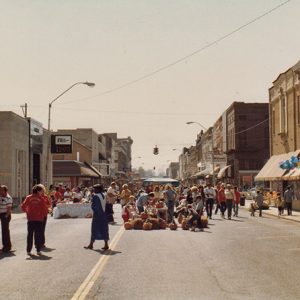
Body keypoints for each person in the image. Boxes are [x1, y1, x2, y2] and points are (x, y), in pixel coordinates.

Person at [21, 185, 49, 255]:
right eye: (41, 191)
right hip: (39, 219)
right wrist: (43, 216)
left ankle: (28, 251)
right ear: (38, 191)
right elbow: (44, 209)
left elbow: (23, 206)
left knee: (30, 234)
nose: (41, 192)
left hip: (30, 219)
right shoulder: (41, 198)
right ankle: (38, 250)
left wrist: (27, 212)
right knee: (38, 234)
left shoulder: (28, 197)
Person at [84, 184, 109, 251]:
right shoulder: (104, 195)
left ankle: (91, 244)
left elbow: (96, 207)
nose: (94, 190)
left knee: (94, 229)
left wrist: (92, 206)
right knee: (104, 229)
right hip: (103, 214)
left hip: (98, 215)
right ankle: (106, 244)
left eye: (95, 189)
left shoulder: (96, 196)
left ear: (98, 189)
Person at [0, 185, 13, 253]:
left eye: (1, 190)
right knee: (3, 231)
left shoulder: (8, 198)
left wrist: (5, 217)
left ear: (5, 191)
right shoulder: (0, 196)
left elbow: (9, 209)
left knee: (5, 231)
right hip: (1, 214)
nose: (0, 191)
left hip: (5, 215)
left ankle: (7, 247)